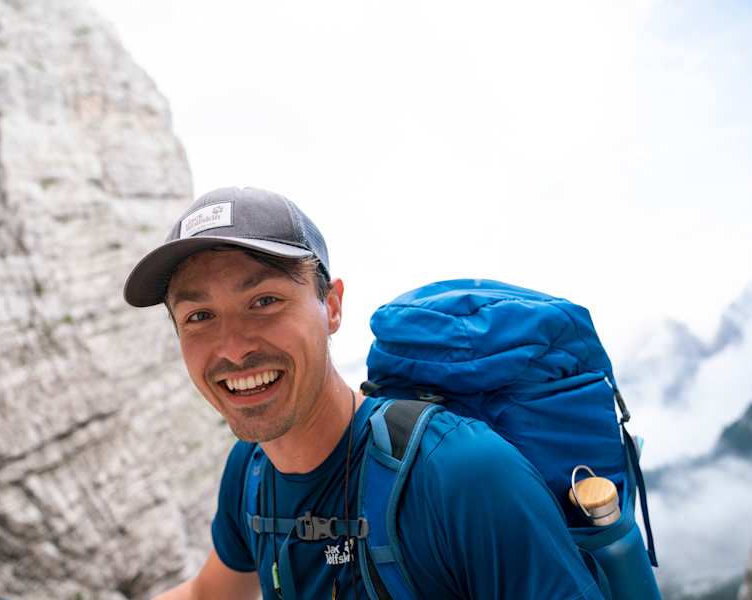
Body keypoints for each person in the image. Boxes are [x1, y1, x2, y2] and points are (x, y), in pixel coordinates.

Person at [124, 187, 604, 600]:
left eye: (264, 301)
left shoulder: (459, 474)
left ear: (331, 307)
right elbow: (211, 593)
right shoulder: (251, 471)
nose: (232, 348)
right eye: (199, 317)